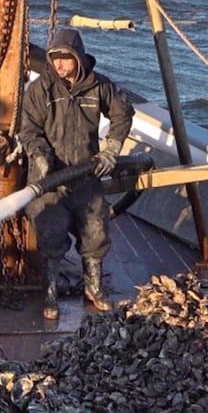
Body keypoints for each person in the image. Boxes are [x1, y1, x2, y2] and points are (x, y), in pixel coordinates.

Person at [19, 27, 134, 320]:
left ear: (79, 59)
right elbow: (29, 130)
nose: (59, 64)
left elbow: (122, 113)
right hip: (50, 182)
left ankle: (93, 288)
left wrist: (112, 148)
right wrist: (40, 157)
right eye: (54, 58)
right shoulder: (39, 90)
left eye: (65, 58)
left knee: (95, 232)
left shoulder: (99, 87)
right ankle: (51, 292)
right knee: (51, 234)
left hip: (86, 177)